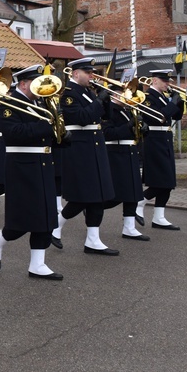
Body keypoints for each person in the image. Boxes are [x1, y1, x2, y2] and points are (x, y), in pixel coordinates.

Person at [0, 65, 64, 280]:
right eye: (36, 82)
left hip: (43, 162)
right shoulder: (8, 104)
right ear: (23, 83)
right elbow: (14, 133)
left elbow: (48, 133)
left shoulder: (39, 102)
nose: (42, 86)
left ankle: (37, 264)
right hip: (22, 164)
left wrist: (61, 137)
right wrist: (48, 126)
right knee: (23, 217)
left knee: (46, 216)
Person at [51, 57, 118, 255]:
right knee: (82, 196)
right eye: (88, 72)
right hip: (80, 149)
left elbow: (106, 118)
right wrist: (98, 101)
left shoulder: (88, 92)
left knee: (98, 197)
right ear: (75, 73)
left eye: (92, 72)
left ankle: (93, 240)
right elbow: (81, 118)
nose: (91, 76)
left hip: (95, 147)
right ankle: (56, 225)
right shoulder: (68, 94)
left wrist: (105, 102)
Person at [135, 69, 184, 229]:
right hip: (154, 140)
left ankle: (159, 217)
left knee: (169, 181)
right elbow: (157, 117)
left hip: (165, 139)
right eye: (165, 81)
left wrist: (180, 102)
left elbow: (176, 116)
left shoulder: (163, 97)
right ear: (154, 81)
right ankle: (139, 202)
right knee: (160, 181)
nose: (168, 84)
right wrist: (172, 103)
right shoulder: (147, 97)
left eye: (168, 81)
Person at [101, 83, 149, 241]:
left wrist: (142, 128)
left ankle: (129, 228)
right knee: (117, 194)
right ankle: (93, 207)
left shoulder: (127, 110)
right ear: (114, 96)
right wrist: (129, 126)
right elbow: (108, 134)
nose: (127, 95)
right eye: (123, 93)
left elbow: (133, 132)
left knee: (134, 191)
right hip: (116, 153)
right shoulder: (109, 111)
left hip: (130, 152)